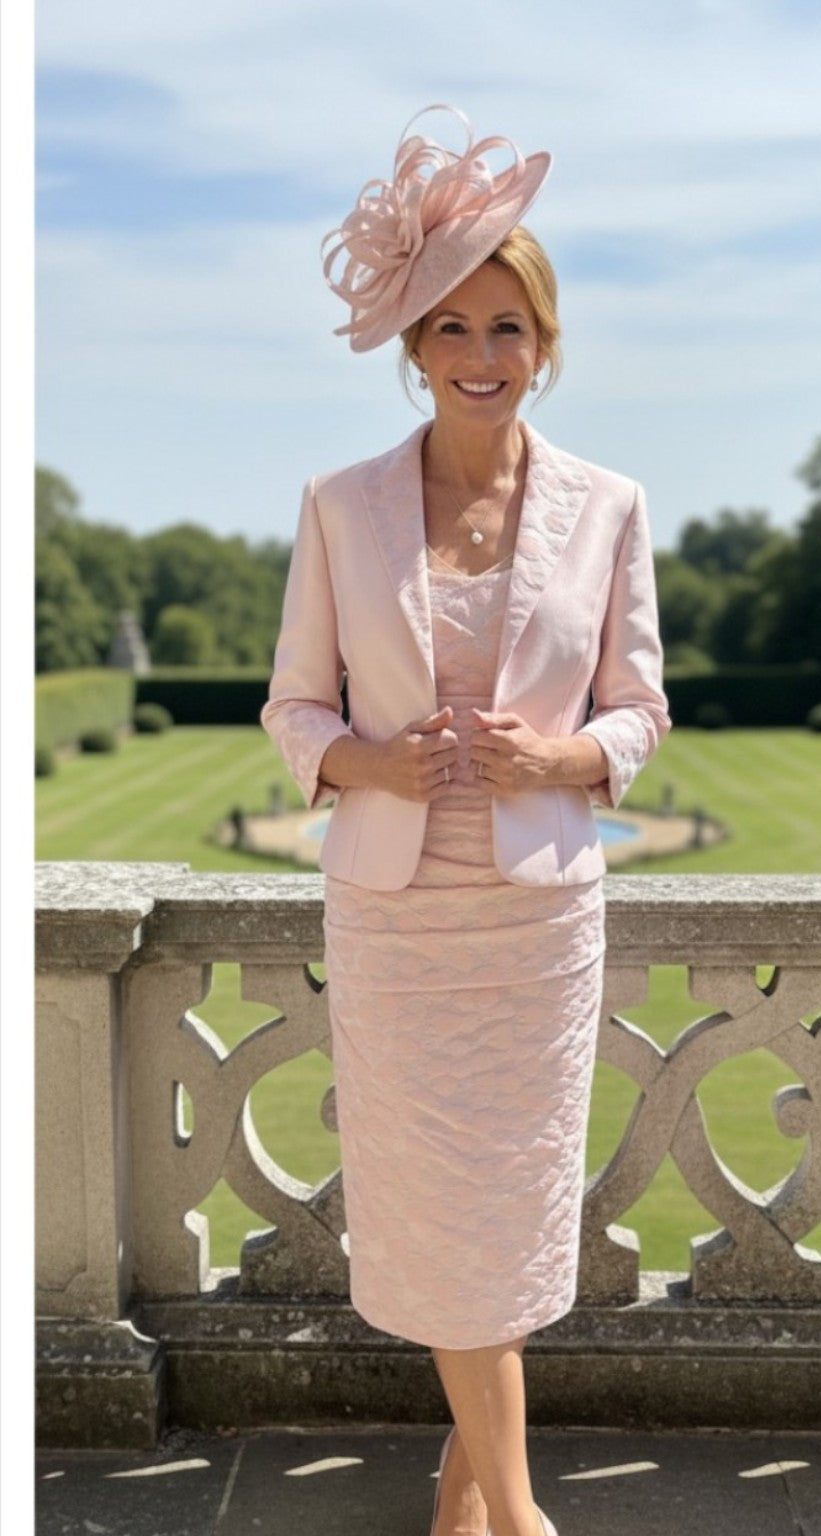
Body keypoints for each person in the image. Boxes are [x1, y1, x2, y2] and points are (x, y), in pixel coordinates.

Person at [261, 105, 670, 1536]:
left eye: (510, 327)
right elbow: (292, 708)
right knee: (441, 1226)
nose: (483, 356)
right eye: (455, 328)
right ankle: (521, 1513)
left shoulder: (610, 507)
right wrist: (366, 766)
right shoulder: (337, 505)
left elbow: (640, 712)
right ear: (413, 348)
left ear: (542, 344)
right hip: (392, 916)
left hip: (535, 920)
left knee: (502, 1222)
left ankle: (470, 1512)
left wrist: (555, 760)